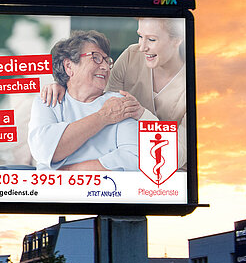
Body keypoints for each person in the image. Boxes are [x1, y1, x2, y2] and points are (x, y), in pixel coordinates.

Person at [41, 17, 188, 167]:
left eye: (151, 39)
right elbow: (103, 101)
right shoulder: (132, 55)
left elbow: (176, 155)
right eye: (140, 36)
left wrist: (142, 115)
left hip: (170, 175)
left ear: (177, 40)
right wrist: (64, 83)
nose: (142, 47)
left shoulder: (193, 86)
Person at [28, 30, 155, 170]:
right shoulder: (49, 101)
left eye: (107, 61)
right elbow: (45, 151)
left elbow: (134, 159)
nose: (105, 67)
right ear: (69, 66)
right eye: (96, 58)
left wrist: (69, 171)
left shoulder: (119, 103)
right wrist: (103, 116)